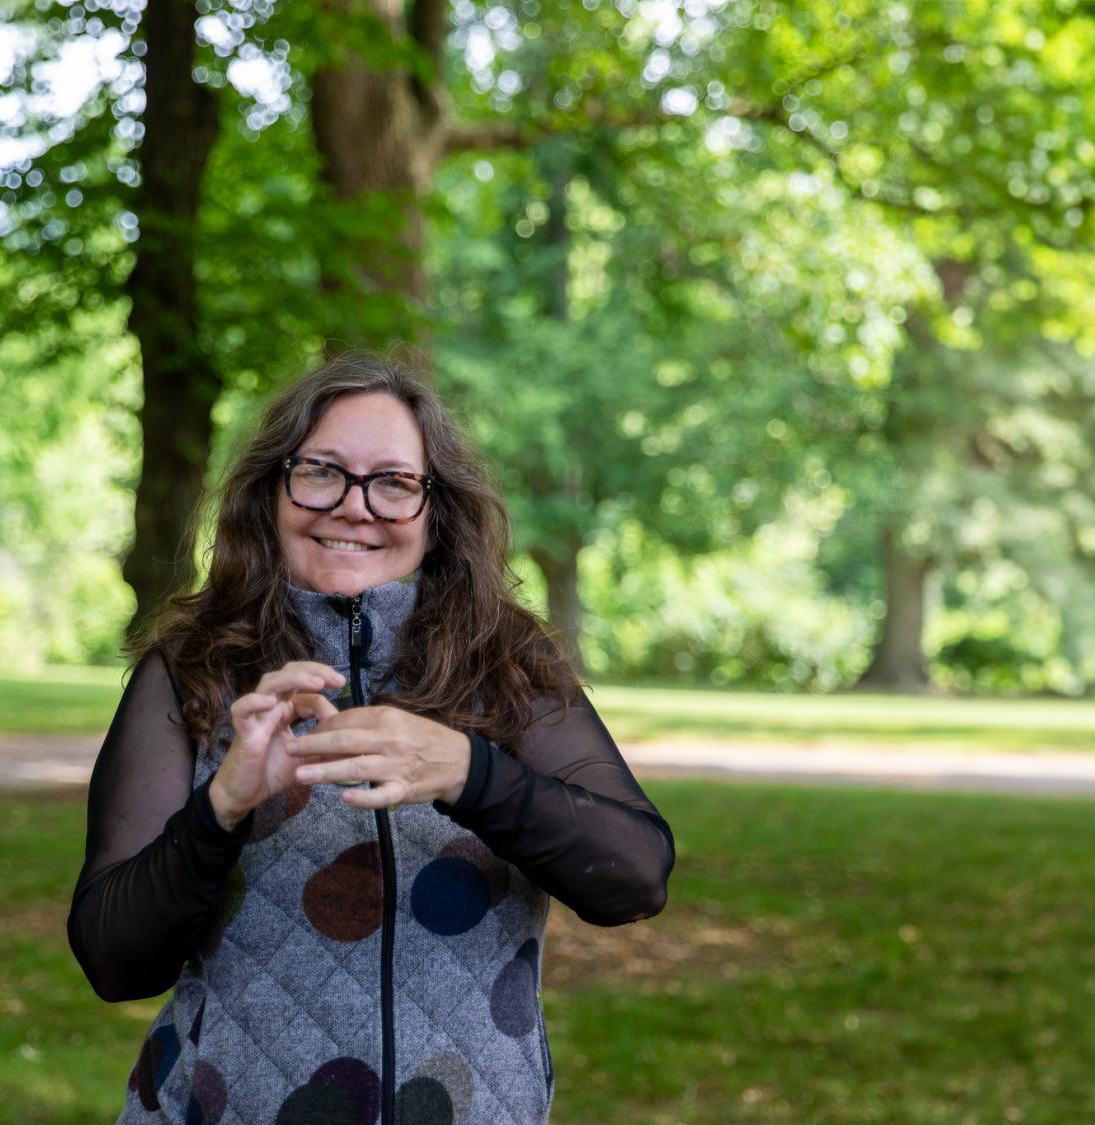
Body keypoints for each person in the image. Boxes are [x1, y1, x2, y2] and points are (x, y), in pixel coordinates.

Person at [68, 352, 675, 1125]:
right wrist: (220, 809)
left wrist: (470, 770)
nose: (355, 507)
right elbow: (114, 961)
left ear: (435, 509)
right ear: (272, 490)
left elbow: (635, 878)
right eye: (322, 471)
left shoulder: (507, 666)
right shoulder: (191, 669)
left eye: (393, 482)